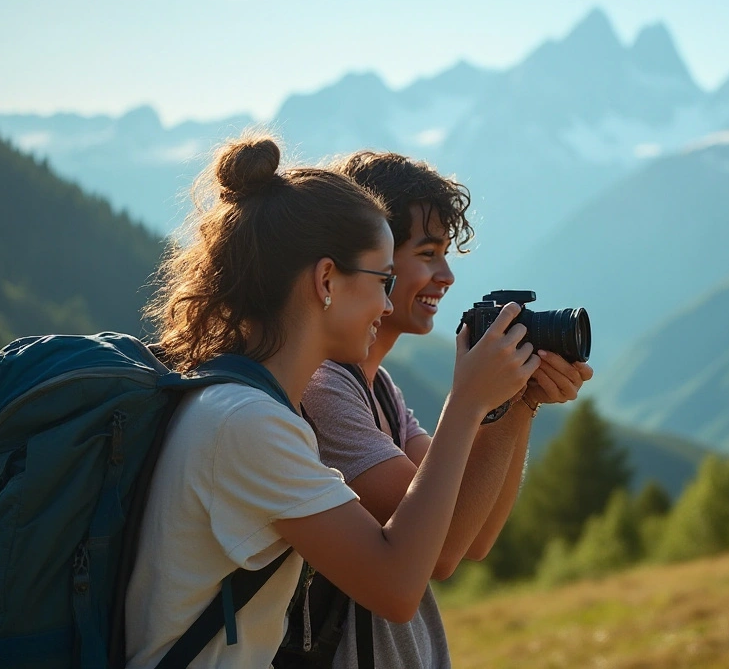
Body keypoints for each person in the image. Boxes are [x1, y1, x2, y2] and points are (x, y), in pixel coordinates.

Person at [125, 135, 539, 667]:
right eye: (382, 279)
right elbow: (398, 585)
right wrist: (467, 404)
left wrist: (510, 402)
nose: (387, 302)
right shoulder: (249, 424)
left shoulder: (250, 409)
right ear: (326, 280)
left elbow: (455, 536)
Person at [297, 150, 594, 668]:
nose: (447, 275)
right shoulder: (323, 389)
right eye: (429, 253)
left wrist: (520, 401)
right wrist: (471, 399)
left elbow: (474, 534)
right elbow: (443, 553)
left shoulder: (379, 387)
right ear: (377, 255)